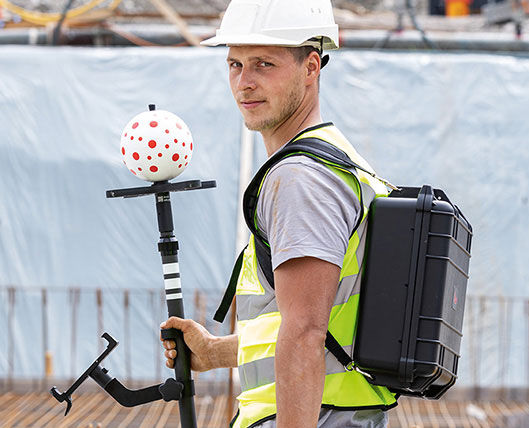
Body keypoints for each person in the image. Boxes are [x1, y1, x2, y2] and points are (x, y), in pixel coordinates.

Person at [160, 1, 397, 427]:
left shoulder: (299, 178)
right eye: (235, 64)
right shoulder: (338, 159)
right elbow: (327, 327)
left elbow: (306, 334)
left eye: (263, 64)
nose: (244, 83)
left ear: (311, 68)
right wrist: (216, 352)